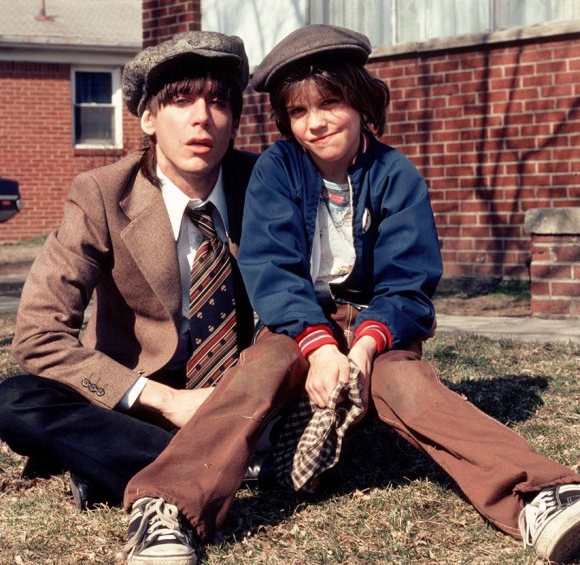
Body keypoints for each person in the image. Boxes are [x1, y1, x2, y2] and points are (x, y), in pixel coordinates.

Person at [238, 24, 580, 562]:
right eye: (299, 112)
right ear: (285, 120)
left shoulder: (396, 175)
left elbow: (408, 284)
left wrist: (368, 344)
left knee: (408, 385)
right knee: (259, 372)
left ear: (360, 101)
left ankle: (539, 494)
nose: (316, 123)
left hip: (379, 327)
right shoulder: (276, 170)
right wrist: (320, 345)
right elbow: (271, 270)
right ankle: (170, 502)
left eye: (330, 103)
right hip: (297, 323)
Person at [0, 31, 307, 565]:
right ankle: (225, 465)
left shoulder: (268, 184)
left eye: (220, 102)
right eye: (181, 101)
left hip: (249, 400)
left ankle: (131, 469)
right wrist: (167, 401)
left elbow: (302, 302)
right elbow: (39, 335)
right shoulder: (101, 194)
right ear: (149, 119)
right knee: (17, 402)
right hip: (144, 405)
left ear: (234, 119)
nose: (202, 118)